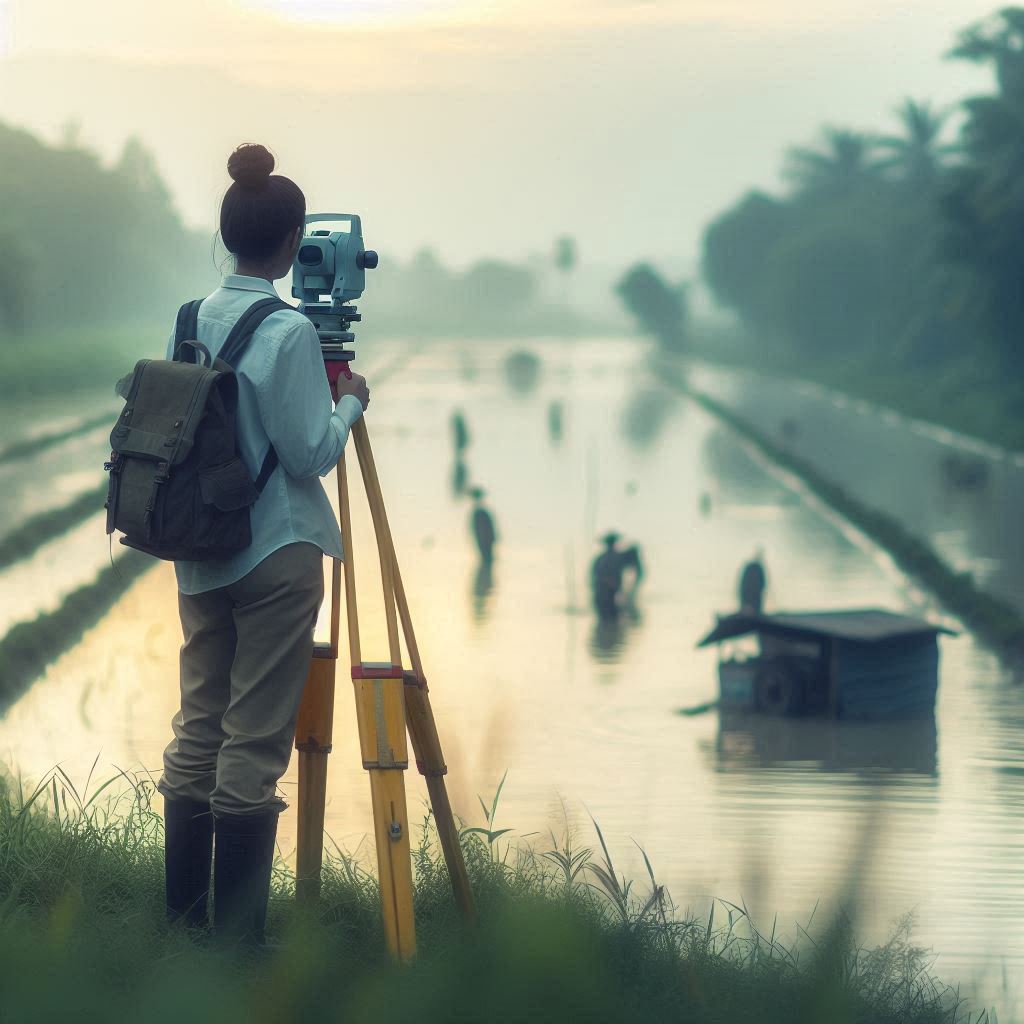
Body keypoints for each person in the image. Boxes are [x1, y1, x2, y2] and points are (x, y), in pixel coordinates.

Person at [157, 143, 370, 949]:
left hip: (201, 548)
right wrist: (349, 404)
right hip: (275, 553)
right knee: (253, 741)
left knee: (199, 723)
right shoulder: (285, 331)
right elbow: (310, 451)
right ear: (292, 246)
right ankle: (241, 941)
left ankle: (183, 926)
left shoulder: (189, 318)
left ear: (227, 233)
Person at [590, 532, 644, 619]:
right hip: (608, 596)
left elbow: (592, 580)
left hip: (600, 597)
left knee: (605, 622)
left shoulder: (599, 559)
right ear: (615, 544)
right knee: (611, 620)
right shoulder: (617, 558)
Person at [469, 487, 497, 563]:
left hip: (485, 542)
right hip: (484, 542)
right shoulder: (479, 512)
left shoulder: (480, 512)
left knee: (486, 561)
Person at [738, 548, 766, 614]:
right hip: (749, 598)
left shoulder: (757, 568)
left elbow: (762, 583)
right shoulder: (753, 568)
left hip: (754, 599)